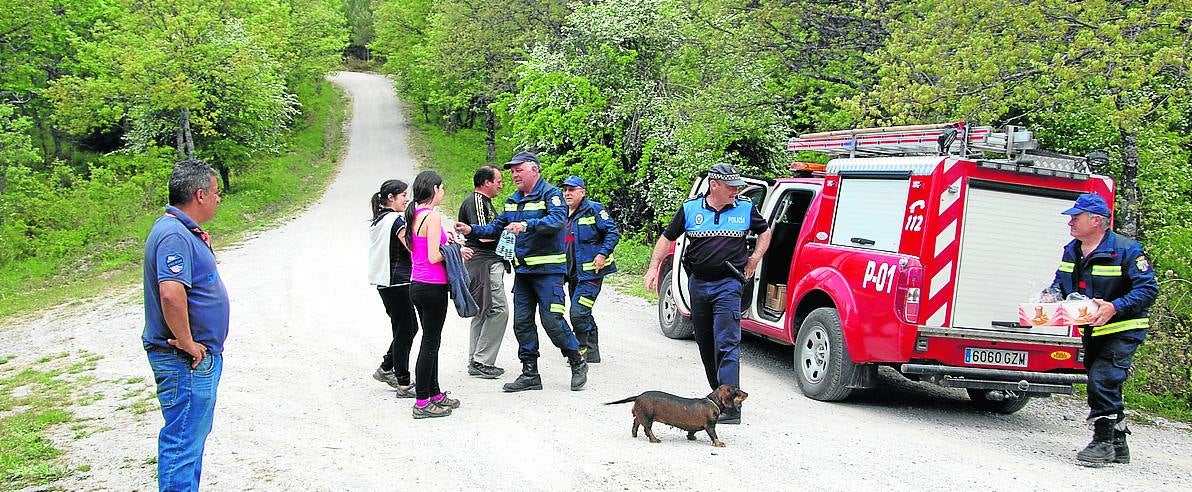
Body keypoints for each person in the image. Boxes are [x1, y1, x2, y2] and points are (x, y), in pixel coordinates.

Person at [643, 163, 771, 425]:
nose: (736, 190)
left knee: (727, 343)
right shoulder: (691, 208)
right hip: (698, 284)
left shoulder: (745, 207)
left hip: (728, 285)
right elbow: (667, 238)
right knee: (706, 343)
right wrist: (654, 268)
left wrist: (754, 259)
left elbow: (765, 231)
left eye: (737, 186)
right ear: (715, 185)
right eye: (731, 186)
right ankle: (720, 396)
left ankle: (732, 408)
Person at [456, 151, 589, 392]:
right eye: (512, 171)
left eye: (519, 170)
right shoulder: (512, 200)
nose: (514, 175)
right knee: (522, 323)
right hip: (524, 273)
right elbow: (495, 228)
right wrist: (470, 229)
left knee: (553, 321)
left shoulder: (551, 195)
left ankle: (577, 361)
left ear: (534, 170)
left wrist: (526, 225)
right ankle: (530, 374)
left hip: (548, 273)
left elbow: (557, 221)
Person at [1050, 193, 1158, 466]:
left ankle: (1103, 444)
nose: (1070, 222)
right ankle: (1119, 443)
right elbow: (1061, 282)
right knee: (1104, 381)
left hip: (1123, 328)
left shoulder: (1128, 250)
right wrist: (1050, 296)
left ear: (1096, 220)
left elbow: (1147, 289)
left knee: (1104, 380)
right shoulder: (1073, 249)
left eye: (1077, 217)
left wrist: (1115, 306)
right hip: (1092, 329)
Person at [142, 158, 229, 491]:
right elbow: (170, 294)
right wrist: (189, 342)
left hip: (193, 359)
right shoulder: (173, 235)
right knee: (182, 442)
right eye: (215, 192)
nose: (219, 198)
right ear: (200, 195)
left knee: (190, 440)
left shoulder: (180, 230)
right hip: (185, 361)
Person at [404, 171, 462, 418]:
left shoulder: (414, 214)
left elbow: (415, 249)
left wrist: (443, 242)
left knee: (432, 340)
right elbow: (434, 257)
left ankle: (435, 393)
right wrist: (454, 247)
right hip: (432, 285)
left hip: (417, 283)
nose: (444, 192)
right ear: (435, 189)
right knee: (430, 343)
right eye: (442, 188)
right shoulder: (433, 216)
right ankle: (421, 402)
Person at [560, 175, 620, 363]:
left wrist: (602, 254)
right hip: (571, 274)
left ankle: (581, 350)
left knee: (578, 313)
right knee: (582, 312)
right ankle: (593, 352)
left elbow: (612, 232)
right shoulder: (561, 212)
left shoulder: (594, 209)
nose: (567, 193)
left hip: (591, 273)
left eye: (572, 190)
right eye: (565, 190)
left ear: (582, 192)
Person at [367, 179, 417, 398]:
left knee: (405, 327)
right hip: (398, 281)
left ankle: (387, 368)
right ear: (391, 198)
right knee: (406, 329)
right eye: (403, 195)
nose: (407, 199)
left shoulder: (378, 220)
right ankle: (403, 382)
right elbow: (410, 246)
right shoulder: (396, 220)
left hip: (384, 282)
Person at [458, 165, 510, 379]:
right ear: (486, 182)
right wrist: (509, 233)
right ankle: (482, 361)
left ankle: (476, 359)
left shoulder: (485, 202)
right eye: (498, 181)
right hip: (484, 264)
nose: (501, 185)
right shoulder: (477, 201)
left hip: (481, 263)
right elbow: (484, 236)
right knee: (498, 310)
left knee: (483, 309)